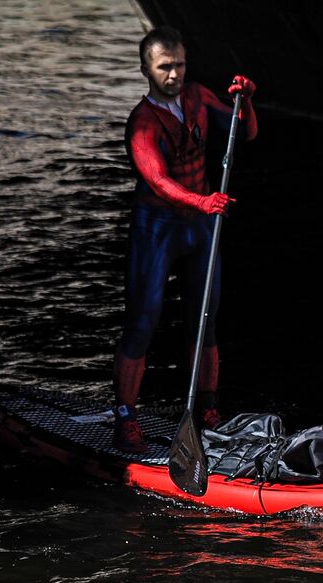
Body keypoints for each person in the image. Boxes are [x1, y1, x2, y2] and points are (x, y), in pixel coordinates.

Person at [113, 26, 258, 452]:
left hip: (200, 222)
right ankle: (125, 417)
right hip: (157, 227)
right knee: (143, 321)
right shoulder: (141, 123)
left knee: (205, 318)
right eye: (164, 67)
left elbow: (243, 131)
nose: (173, 74)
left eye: (178, 64)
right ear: (146, 70)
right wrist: (202, 201)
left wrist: (245, 102)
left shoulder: (197, 96)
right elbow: (157, 180)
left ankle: (206, 408)